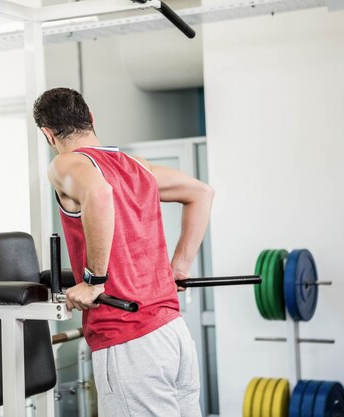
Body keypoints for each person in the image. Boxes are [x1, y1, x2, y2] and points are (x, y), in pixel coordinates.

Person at [33, 87, 214, 417]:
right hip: (172, 333)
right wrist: (179, 268)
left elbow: (99, 195)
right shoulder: (135, 165)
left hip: (128, 339)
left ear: (48, 134)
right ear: (90, 119)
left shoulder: (64, 164)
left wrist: (94, 281)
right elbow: (201, 193)